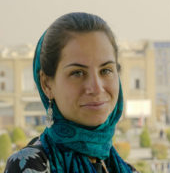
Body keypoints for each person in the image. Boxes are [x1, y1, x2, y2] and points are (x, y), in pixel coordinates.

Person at [5, 12, 138, 172]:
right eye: (78, 73)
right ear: (47, 84)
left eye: (106, 70)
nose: (96, 88)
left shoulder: (122, 168)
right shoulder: (29, 165)